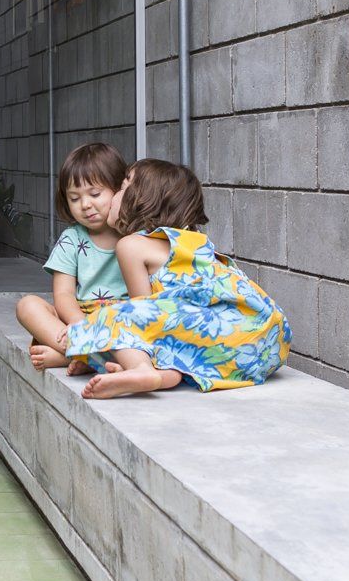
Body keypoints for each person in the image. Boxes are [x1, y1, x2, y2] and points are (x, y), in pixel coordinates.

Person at [67, 158, 291, 399]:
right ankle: (161, 377)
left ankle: (142, 369)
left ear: (141, 198)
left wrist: (92, 331)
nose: (113, 197)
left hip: (225, 327)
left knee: (113, 316)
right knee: (165, 342)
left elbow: (142, 314)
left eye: (122, 187)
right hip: (266, 340)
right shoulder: (189, 240)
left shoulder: (131, 245)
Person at [15, 143, 131, 375]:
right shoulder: (72, 239)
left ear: (120, 190)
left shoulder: (133, 234)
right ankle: (85, 353)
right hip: (80, 318)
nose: (85, 205)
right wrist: (81, 325)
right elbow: (63, 294)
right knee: (27, 305)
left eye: (95, 194)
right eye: (74, 198)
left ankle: (74, 357)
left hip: (121, 322)